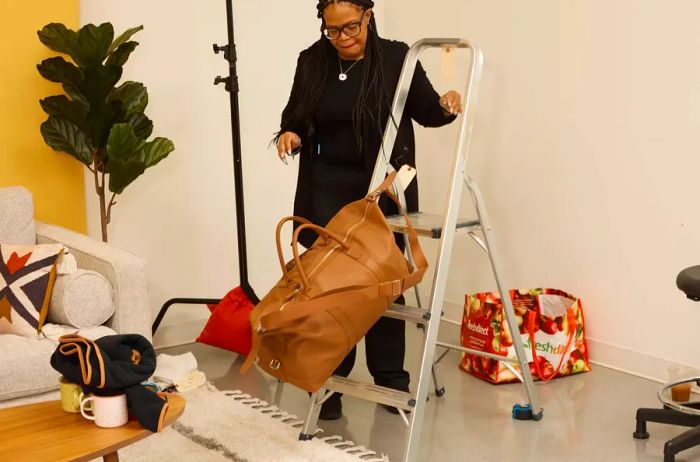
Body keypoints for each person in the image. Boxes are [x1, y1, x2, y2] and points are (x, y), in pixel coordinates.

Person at [275, 0, 462, 420]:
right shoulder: (312, 61)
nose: (343, 38)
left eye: (351, 27)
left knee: (381, 281)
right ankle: (330, 380)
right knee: (330, 288)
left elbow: (428, 112)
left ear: (369, 16)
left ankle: (390, 381)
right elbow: (296, 114)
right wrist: (289, 132)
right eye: (333, 31)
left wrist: (447, 104)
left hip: (382, 188)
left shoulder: (397, 57)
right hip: (327, 187)